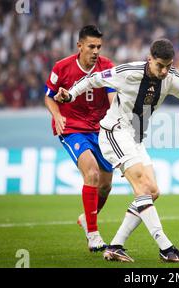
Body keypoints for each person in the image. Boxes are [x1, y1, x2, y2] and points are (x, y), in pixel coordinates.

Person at [55, 38, 179, 262]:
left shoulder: (173, 79)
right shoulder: (128, 72)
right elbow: (93, 79)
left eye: (168, 66)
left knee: (152, 191)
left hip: (136, 138)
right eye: (160, 65)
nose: (164, 71)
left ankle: (116, 246)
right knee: (142, 187)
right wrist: (70, 95)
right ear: (150, 59)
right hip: (114, 132)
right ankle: (166, 248)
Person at [44, 25, 116, 252]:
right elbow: (48, 97)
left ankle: (86, 219)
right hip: (73, 128)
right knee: (92, 173)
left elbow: (113, 98)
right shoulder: (62, 67)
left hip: (101, 130)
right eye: (91, 46)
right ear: (80, 46)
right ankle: (93, 234)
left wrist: (118, 121)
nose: (96, 51)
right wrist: (57, 115)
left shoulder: (107, 67)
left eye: (99, 47)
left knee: (105, 186)